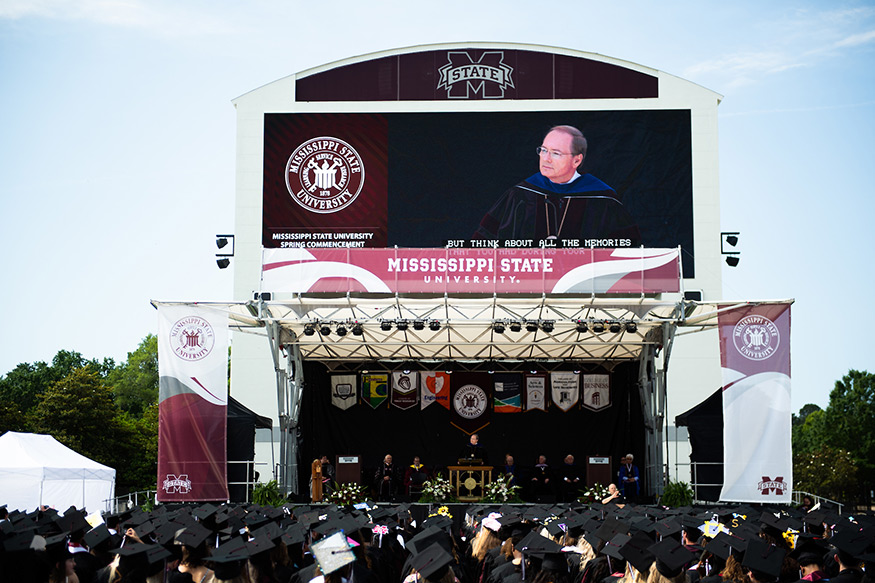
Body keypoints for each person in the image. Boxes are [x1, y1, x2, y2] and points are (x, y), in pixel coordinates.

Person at [474, 125, 640, 244]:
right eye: (544, 150)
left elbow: (627, 249)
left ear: (577, 160)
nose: (546, 158)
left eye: (556, 153)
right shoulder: (520, 195)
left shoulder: (603, 200)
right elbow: (483, 243)